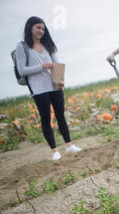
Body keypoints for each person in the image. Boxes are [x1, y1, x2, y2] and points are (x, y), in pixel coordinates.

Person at [15, 16, 81, 161]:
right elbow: (22, 70)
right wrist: (41, 67)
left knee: (60, 116)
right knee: (46, 119)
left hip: (54, 86)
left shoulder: (47, 45)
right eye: (38, 27)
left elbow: (56, 64)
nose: (41, 31)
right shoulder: (22, 47)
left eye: (43, 28)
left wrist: (60, 80)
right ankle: (54, 151)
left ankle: (69, 145)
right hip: (38, 89)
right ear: (29, 27)